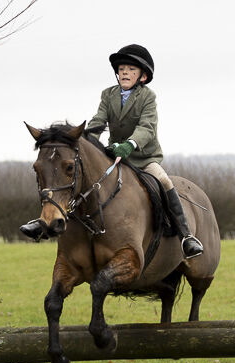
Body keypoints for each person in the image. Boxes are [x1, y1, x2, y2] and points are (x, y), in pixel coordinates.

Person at [88, 44, 203, 258]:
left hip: (143, 158)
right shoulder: (108, 95)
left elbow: (147, 127)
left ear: (142, 76)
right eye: (121, 69)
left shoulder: (147, 97)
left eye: (131, 69)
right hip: (116, 156)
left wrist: (130, 144)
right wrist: (88, 139)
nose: (124, 72)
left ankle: (186, 236)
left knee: (165, 181)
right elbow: (98, 120)